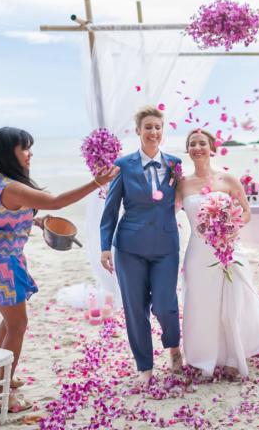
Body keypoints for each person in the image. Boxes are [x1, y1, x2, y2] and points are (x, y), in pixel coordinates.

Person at [0, 127, 117, 413]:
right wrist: (96, 182)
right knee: (18, 325)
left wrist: (31, 221)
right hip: (2, 262)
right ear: (8, 152)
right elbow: (56, 202)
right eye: (25, 148)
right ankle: (3, 396)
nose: (30, 153)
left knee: (9, 320)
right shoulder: (12, 186)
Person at [176, 129, 259, 378]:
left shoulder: (228, 179)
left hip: (229, 249)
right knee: (201, 304)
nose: (197, 147)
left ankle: (234, 357)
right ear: (188, 150)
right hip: (198, 254)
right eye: (192, 144)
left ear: (212, 148)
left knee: (232, 304)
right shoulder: (181, 185)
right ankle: (205, 357)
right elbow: (168, 213)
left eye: (202, 143)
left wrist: (227, 227)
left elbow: (246, 212)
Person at [100, 105, 183, 385]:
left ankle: (173, 348)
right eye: (148, 127)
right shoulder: (123, 165)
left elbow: (188, 194)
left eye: (157, 127)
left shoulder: (175, 164)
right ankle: (144, 367)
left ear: (163, 131)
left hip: (166, 246)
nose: (153, 132)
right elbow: (111, 209)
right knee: (136, 310)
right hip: (129, 248)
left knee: (165, 306)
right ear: (138, 131)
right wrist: (104, 247)